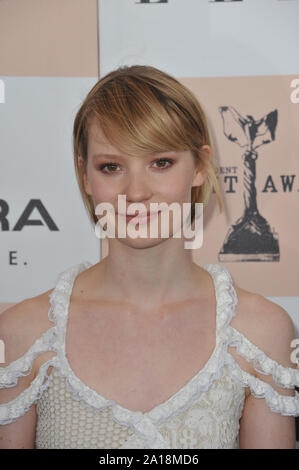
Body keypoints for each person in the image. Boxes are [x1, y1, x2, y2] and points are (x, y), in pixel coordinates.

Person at [0, 65, 298, 449]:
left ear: (200, 167)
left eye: (160, 163)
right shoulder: (24, 336)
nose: (136, 191)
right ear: (86, 176)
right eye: (112, 167)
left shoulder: (261, 335)